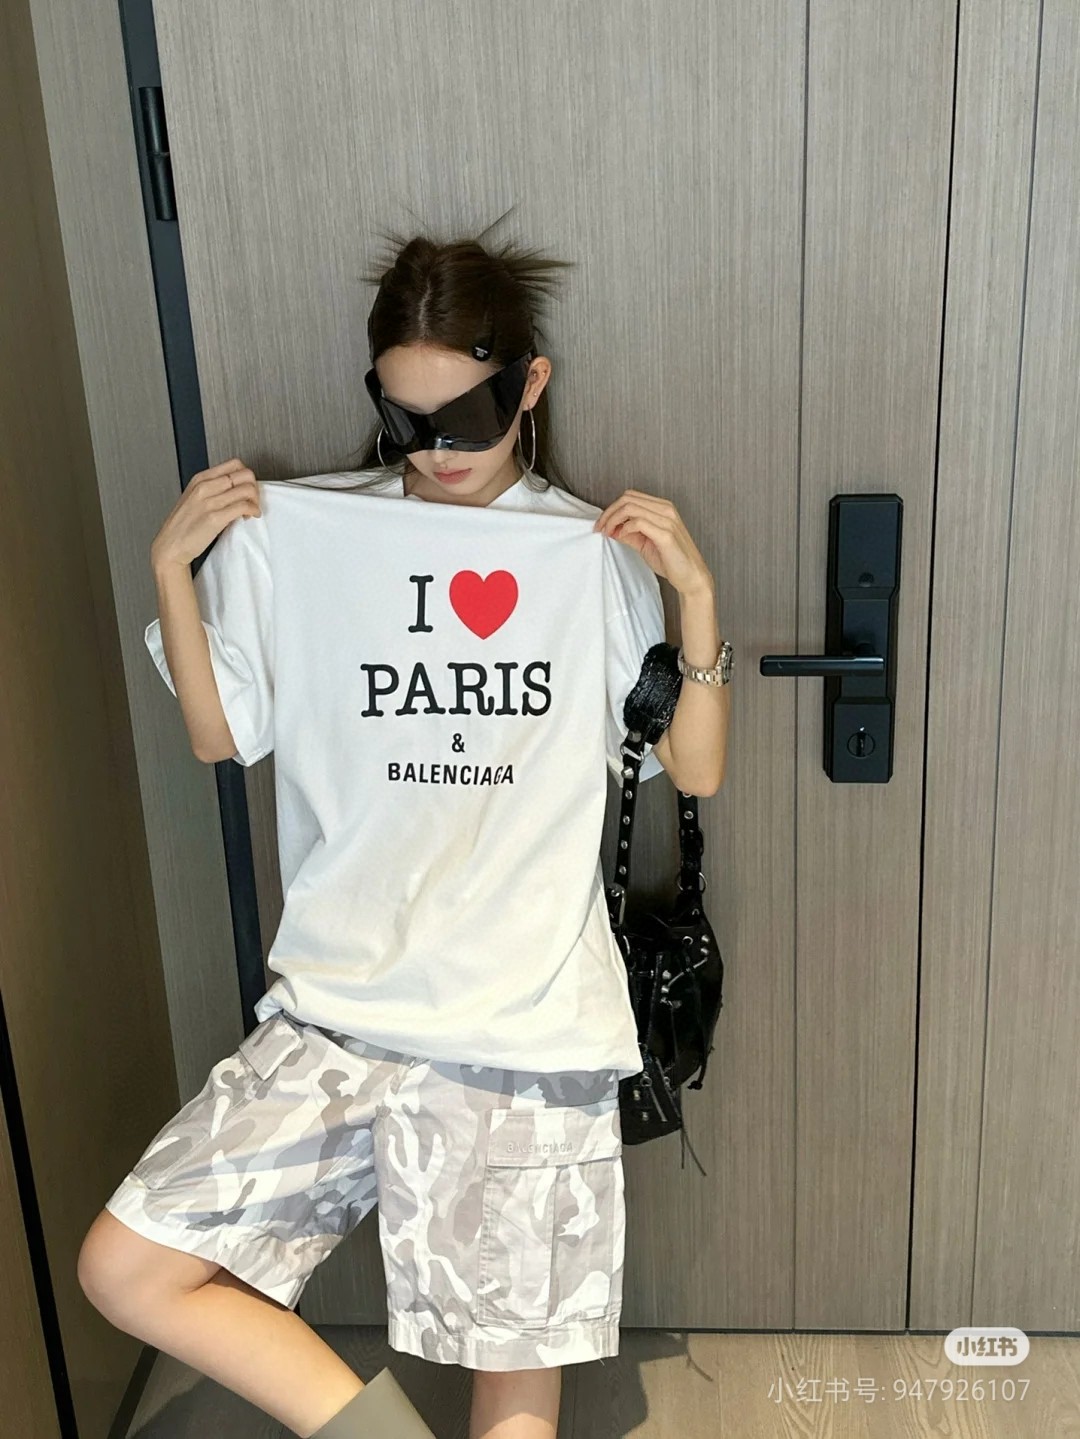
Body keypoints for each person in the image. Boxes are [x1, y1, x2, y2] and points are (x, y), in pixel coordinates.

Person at [76, 230, 729, 1439]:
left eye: (466, 416)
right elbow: (221, 737)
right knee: (127, 1264)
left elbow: (695, 766)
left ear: (529, 384)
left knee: (513, 1389)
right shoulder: (307, 535)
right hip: (339, 1007)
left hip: (522, 1021)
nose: (437, 451)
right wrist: (172, 566)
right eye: (406, 418)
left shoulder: (585, 556)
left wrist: (693, 597)